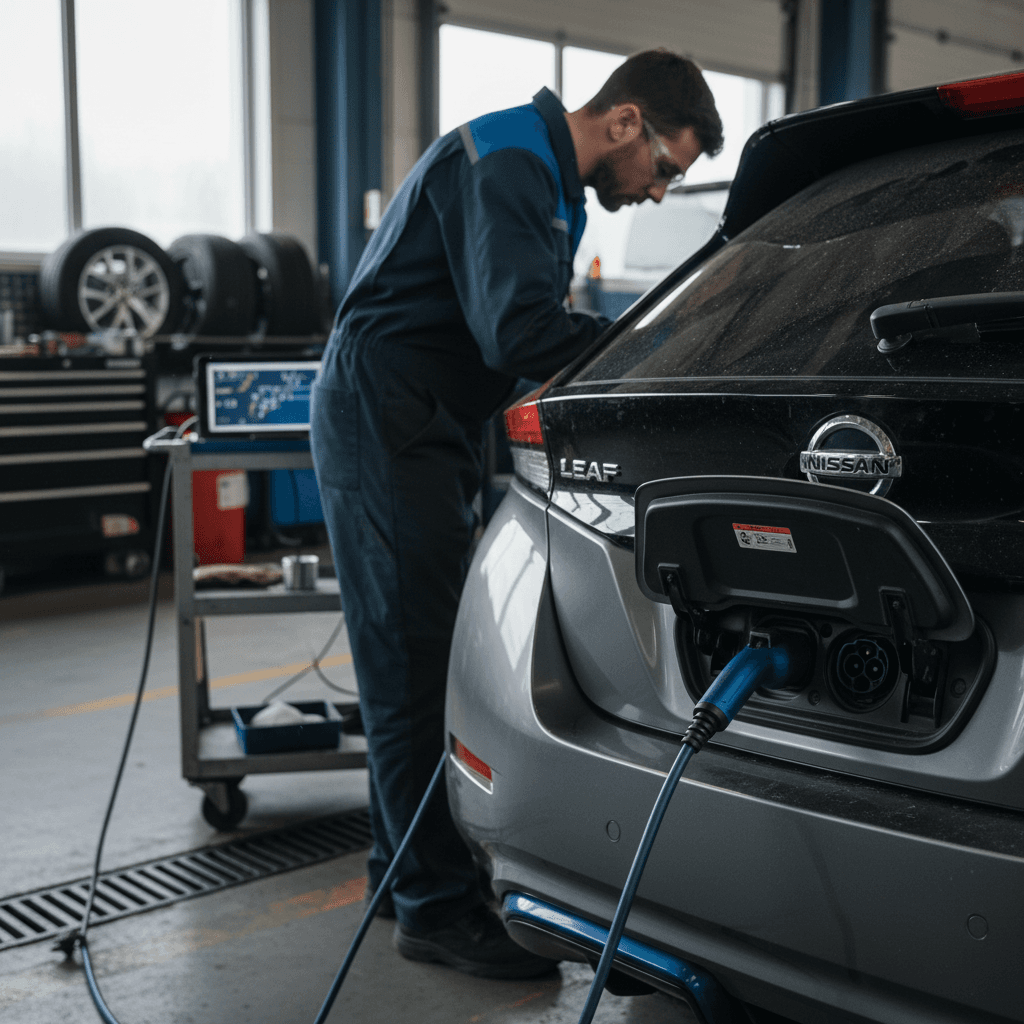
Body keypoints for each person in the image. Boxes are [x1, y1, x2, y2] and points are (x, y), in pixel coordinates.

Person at [310, 49, 723, 979]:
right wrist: (658, 350)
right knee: (414, 660)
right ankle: (434, 909)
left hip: (423, 417)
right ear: (625, 122)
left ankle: (398, 870)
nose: (659, 193)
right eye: (666, 168)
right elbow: (522, 332)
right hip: (386, 418)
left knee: (416, 652)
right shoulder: (511, 162)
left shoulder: (544, 173)